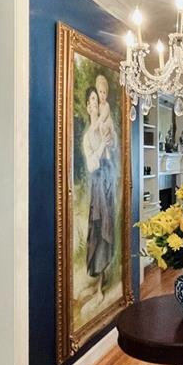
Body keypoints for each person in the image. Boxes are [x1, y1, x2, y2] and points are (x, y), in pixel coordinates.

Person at [82, 83, 117, 308]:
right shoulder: (87, 136)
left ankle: (102, 283)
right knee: (98, 228)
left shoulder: (103, 126)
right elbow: (92, 163)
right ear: (87, 107)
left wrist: (109, 143)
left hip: (109, 183)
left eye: (97, 99)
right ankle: (97, 286)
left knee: (108, 226)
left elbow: (111, 149)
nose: (95, 103)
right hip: (97, 185)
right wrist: (101, 146)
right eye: (92, 100)